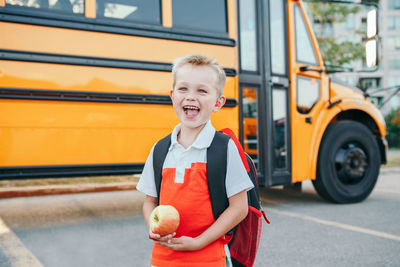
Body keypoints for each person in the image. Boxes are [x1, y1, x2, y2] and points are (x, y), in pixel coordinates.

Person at [136, 54, 254, 267]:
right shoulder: (160, 150)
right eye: (183, 89)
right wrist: (154, 228)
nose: (191, 97)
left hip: (209, 258)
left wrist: (198, 242)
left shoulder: (224, 148)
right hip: (162, 259)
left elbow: (239, 208)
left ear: (218, 103)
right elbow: (150, 201)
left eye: (201, 90)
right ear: (172, 96)